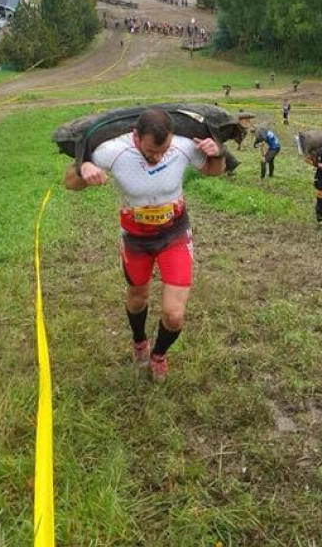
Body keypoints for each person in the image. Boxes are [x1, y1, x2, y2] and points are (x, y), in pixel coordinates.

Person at [63, 108, 224, 379]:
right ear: (135, 136)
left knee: (174, 315)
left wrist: (216, 154)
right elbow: (69, 183)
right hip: (135, 238)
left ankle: (158, 355)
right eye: (151, 151)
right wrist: (83, 168)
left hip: (174, 234)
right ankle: (139, 341)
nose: (158, 157)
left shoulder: (183, 146)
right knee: (137, 298)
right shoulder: (111, 151)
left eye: (164, 150)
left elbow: (213, 171)